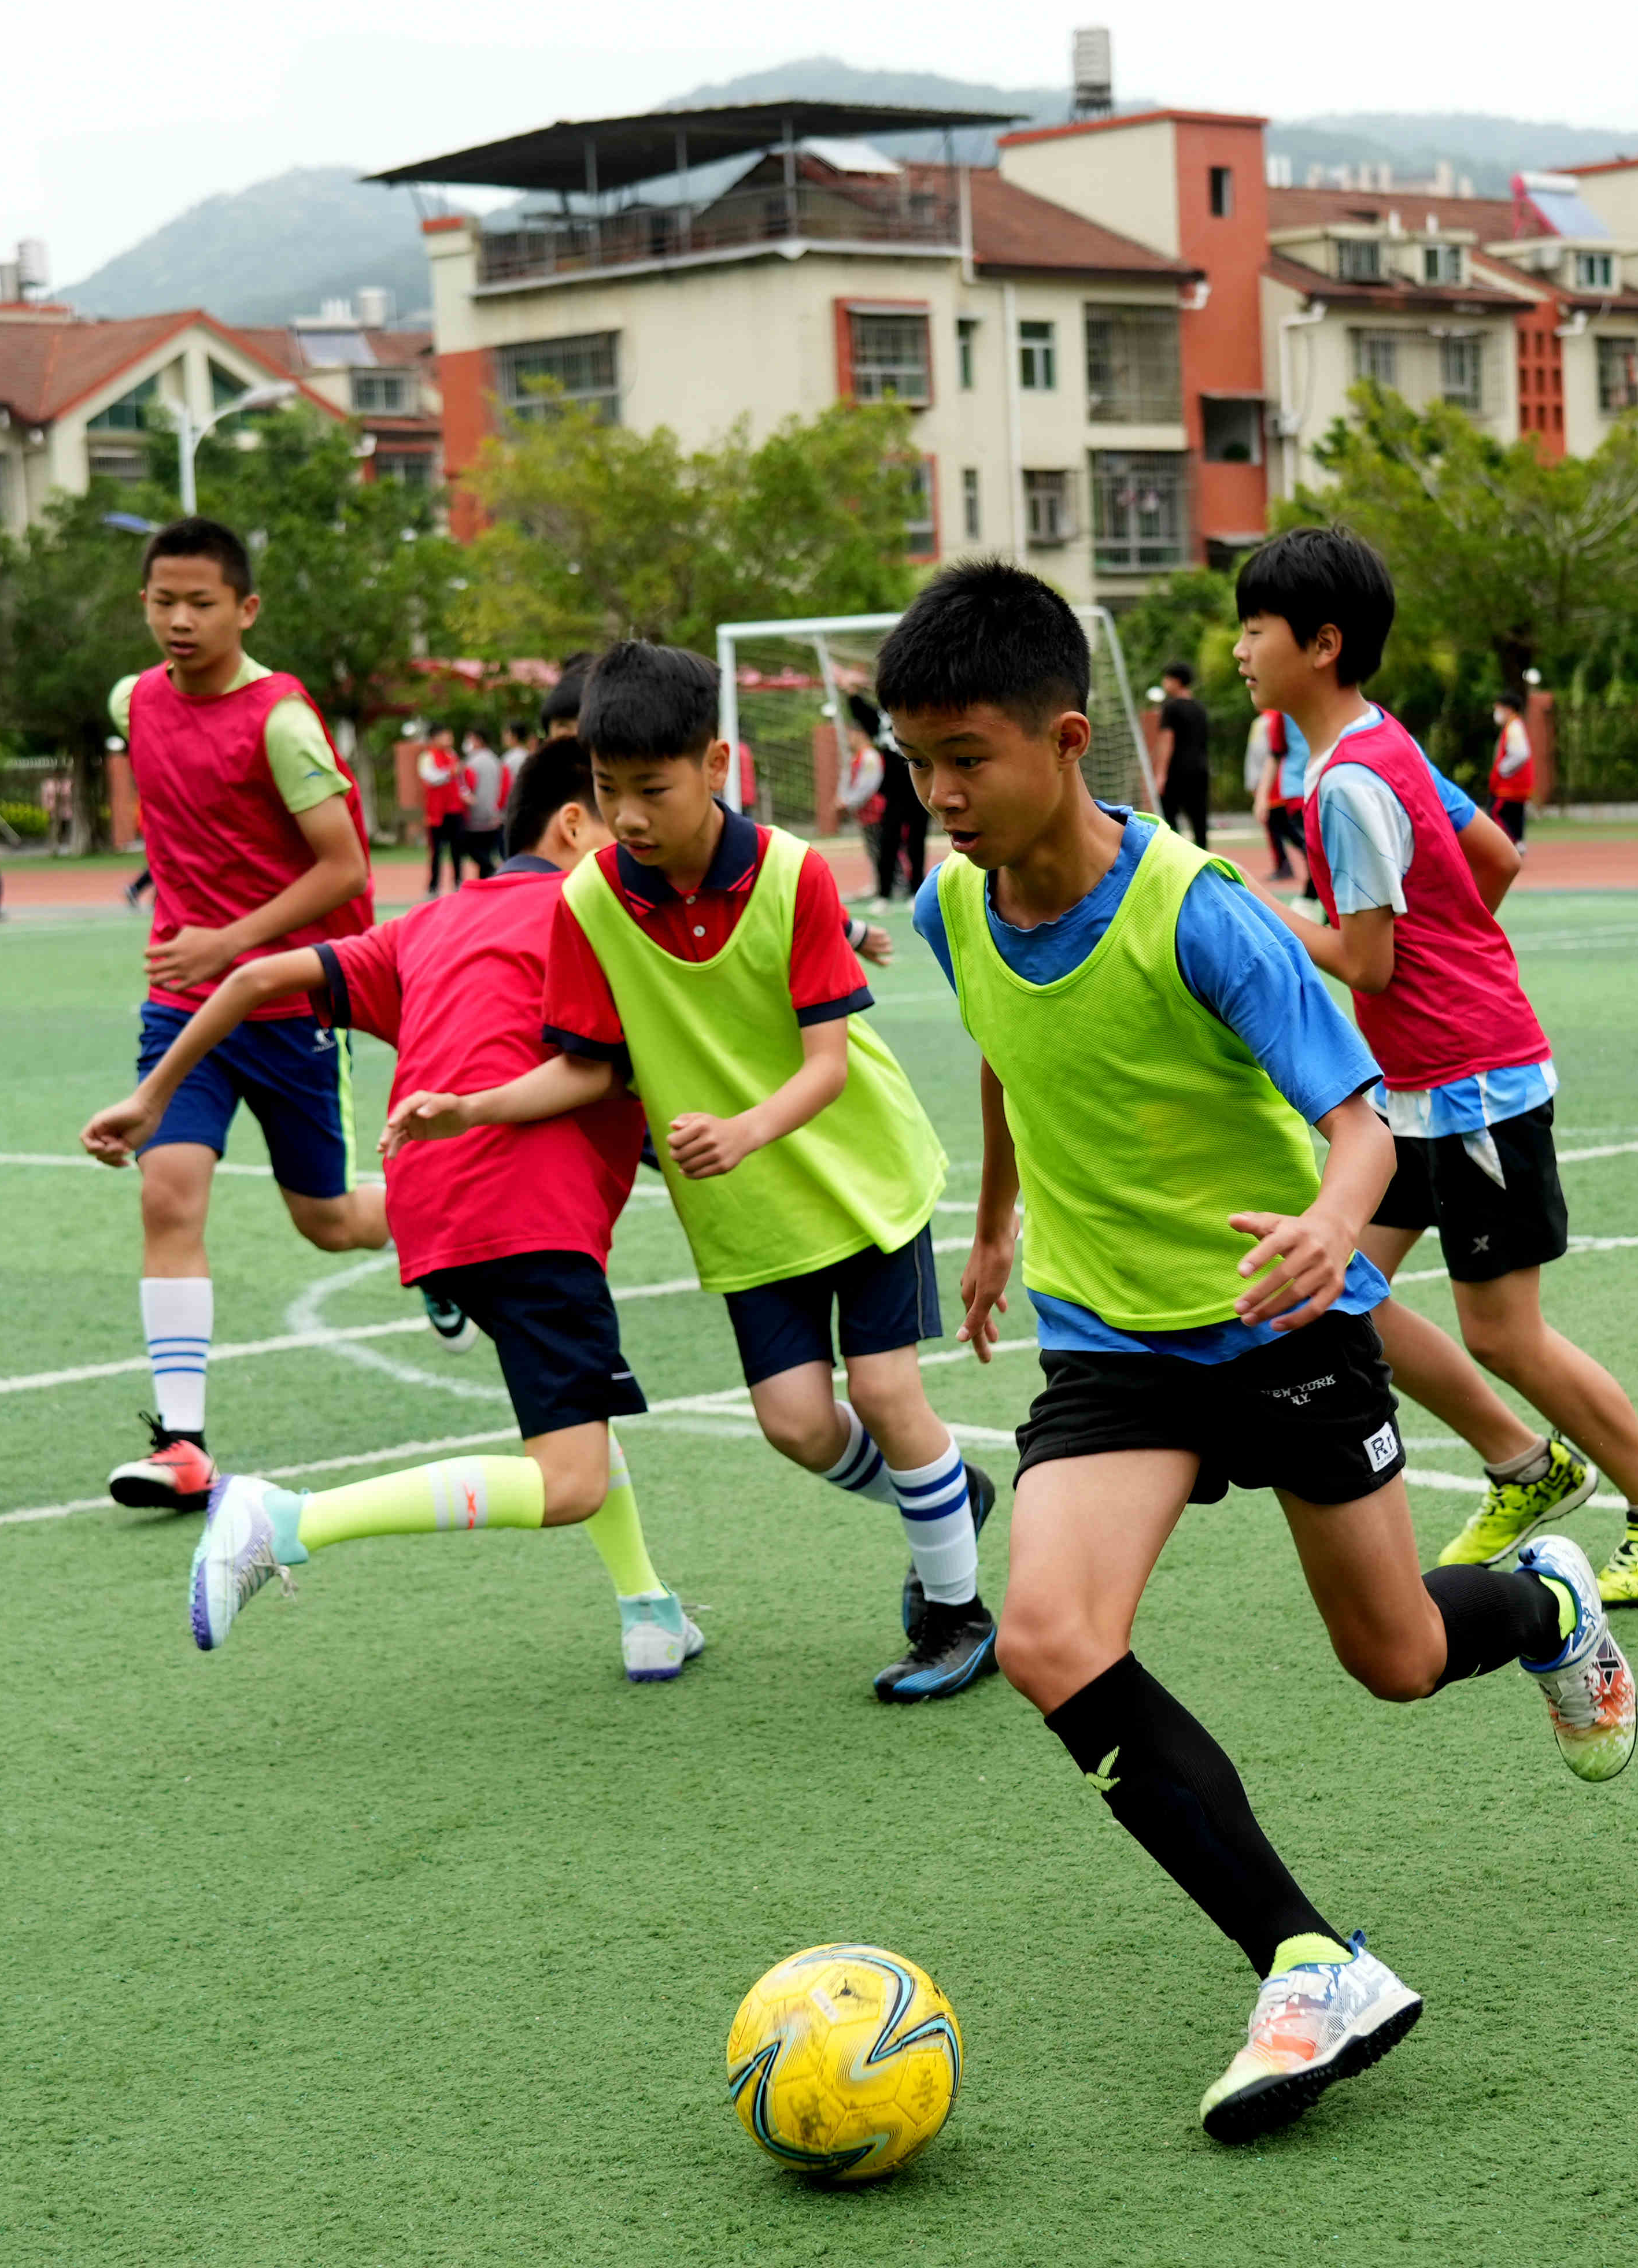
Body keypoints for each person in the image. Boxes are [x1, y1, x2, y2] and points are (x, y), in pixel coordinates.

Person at [875, 559, 1630, 2145]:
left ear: (1066, 740)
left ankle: (1548, 1603)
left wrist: (1326, 1233)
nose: (937, 796)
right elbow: (1014, 1062)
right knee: (1046, 1638)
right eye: (917, 763)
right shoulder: (951, 904)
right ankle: (1306, 1960)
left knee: (1396, 1659)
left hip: (1282, 1324)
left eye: (967, 761)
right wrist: (1000, 1219)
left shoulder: (1199, 917)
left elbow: (1364, 1124)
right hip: (1110, 1345)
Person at [363, 641, 993, 1701]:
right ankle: (946, 1500)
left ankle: (955, 1613)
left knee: (886, 1390)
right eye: (608, 792)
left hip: (859, 1176)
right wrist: (470, 1105)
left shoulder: (790, 872)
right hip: (750, 1216)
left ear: (716, 763)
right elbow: (588, 1068)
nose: (630, 817)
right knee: (796, 1423)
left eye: (651, 789)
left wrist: (746, 1129)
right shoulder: (591, 901)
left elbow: (828, 1066)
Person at [106, 740, 700, 1684]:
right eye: (622, 817)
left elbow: (257, 978)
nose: (640, 839)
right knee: (569, 1482)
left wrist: (150, 1098)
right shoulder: (598, 912)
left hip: (434, 1210)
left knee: (578, 1406)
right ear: (573, 824)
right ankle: (289, 1522)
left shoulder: (425, 923)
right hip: (525, 1212)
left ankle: (647, 1607)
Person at [1240, 524, 1638, 1607]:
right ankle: (1524, 1465)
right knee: (1333, 1291)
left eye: (1254, 625)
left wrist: (1271, 924)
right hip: (1419, 1084)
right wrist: (1452, 955)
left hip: (1466, 1087)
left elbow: (1364, 957)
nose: (1238, 646)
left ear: (1319, 644)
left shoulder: (1344, 786)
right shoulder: (1382, 743)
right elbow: (1495, 859)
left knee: (1500, 1329)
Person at [105, 514, 384, 1514]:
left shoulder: (282, 722)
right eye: (161, 601)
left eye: (200, 603)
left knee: (332, 1222)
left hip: (287, 1000)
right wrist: (198, 940)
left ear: (245, 608)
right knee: (168, 1196)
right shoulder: (131, 700)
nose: (178, 620)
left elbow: (346, 869)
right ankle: (183, 1444)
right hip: (184, 1006)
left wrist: (230, 941)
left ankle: (445, 1239)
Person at [857, 691, 929, 903]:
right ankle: (884, 894)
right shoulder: (882, 719)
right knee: (888, 843)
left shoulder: (921, 716)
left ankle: (916, 891)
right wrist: (851, 691)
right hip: (893, 795)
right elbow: (861, 711)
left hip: (918, 793)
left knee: (917, 844)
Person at [1150, 664, 1214, 849]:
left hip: (1177, 771)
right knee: (1199, 820)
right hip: (1200, 769)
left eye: (1167, 678)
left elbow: (1167, 740)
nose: (1164, 683)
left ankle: (1178, 858)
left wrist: (1161, 774)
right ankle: (1204, 858)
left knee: (1170, 817)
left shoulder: (1171, 708)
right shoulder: (1200, 708)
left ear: (1176, 681)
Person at [1248, 701, 1308, 886]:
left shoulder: (1271, 718)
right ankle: (1288, 868)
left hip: (1285, 791)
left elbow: (1262, 756)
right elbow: (1270, 756)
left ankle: (1291, 869)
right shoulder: (1276, 718)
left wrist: (1260, 790)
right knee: (1284, 832)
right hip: (1289, 791)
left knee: (1289, 833)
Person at [408, 724, 467, 896]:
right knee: (437, 852)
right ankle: (434, 886)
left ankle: (458, 883)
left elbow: (460, 780)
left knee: (457, 849)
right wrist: (450, 773)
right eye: (445, 736)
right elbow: (430, 777)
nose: (449, 739)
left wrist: (466, 794)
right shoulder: (427, 757)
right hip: (437, 812)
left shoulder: (452, 755)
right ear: (434, 738)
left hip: (454, 809)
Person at [1485, 686, 1535, 847]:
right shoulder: (1514, 726)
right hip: (1517, 786)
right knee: (1514, 817)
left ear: (1508, 709)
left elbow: (1521, 753)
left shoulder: (1514, 727)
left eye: (1498, 708)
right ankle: (1517, 843)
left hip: (1510, 786)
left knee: (1496, 814)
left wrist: (1502, 769)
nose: (1497, 713)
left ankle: (1509, 845)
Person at [460, 728, 510, 878]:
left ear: (478, 740)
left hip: (475, 814)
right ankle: (486, 881)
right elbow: (505, 786)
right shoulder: (496, 760)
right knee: (487, 851)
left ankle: (493, 870)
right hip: (494, 813)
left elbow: (466, 786)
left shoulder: (471, 762)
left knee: (474, 851)